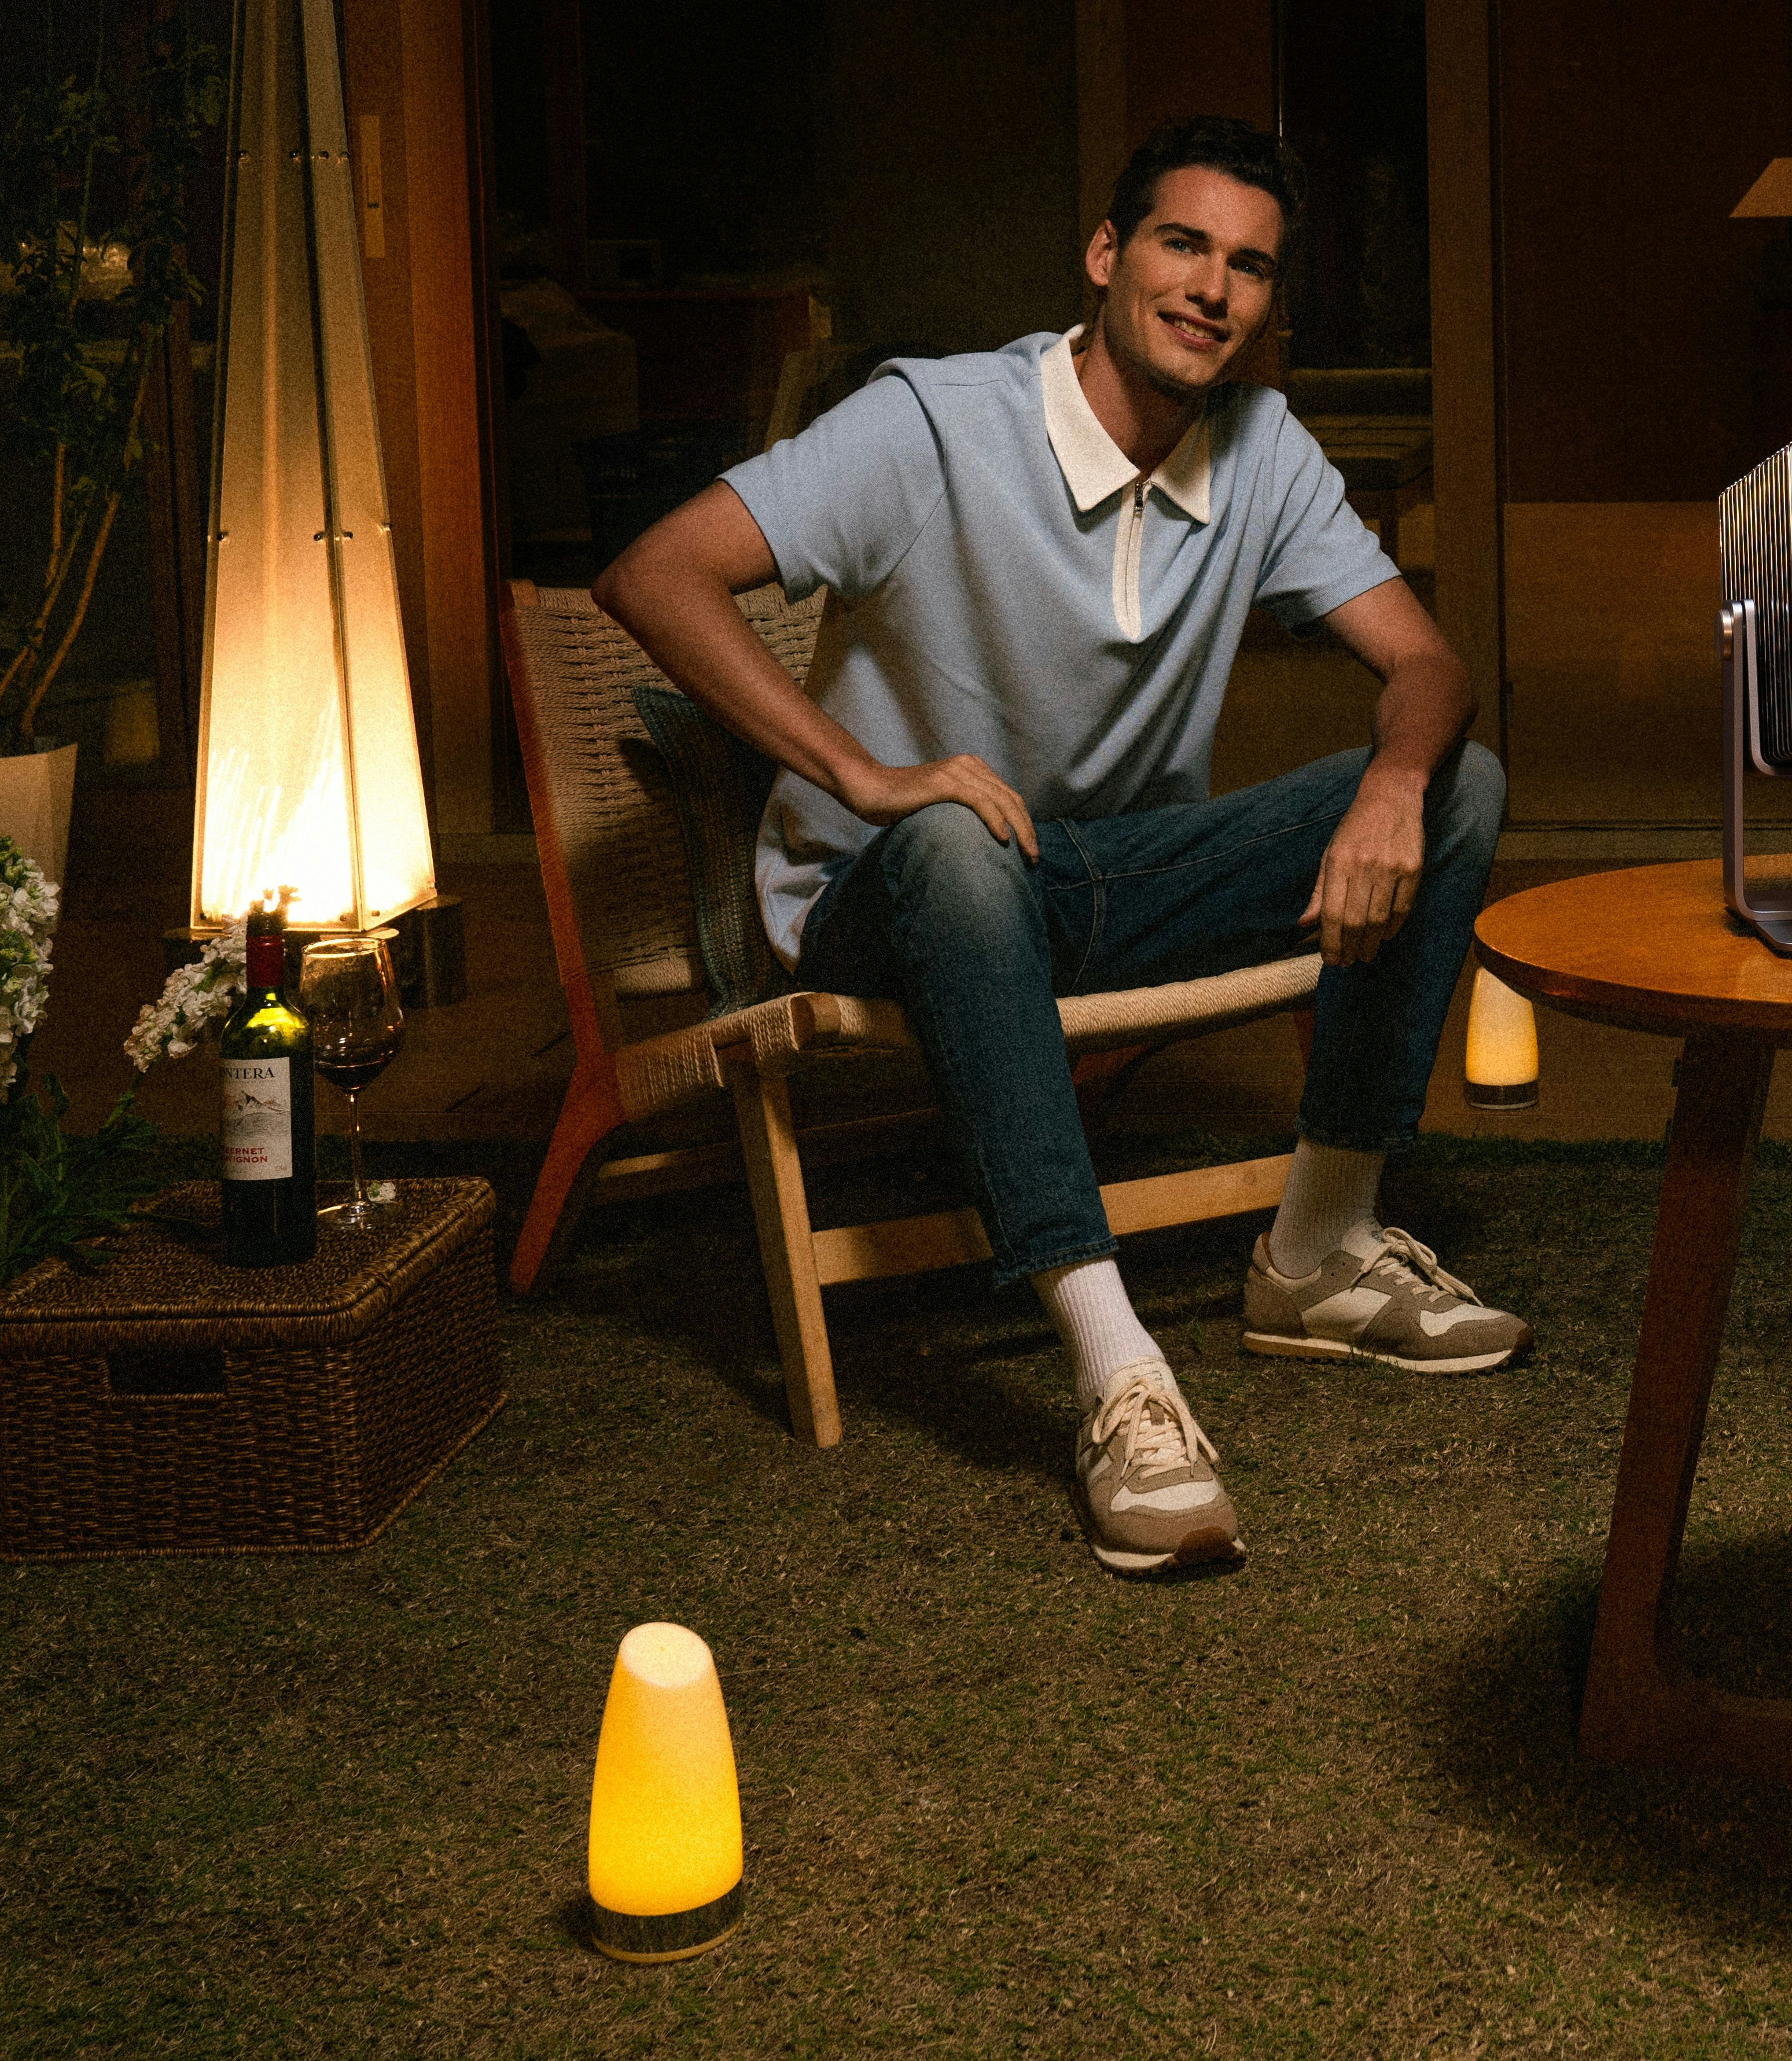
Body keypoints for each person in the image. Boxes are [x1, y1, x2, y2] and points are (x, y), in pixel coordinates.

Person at [596, 115, 1517, 1576]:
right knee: (960, 840)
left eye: (1251, 267)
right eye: (1181, 244)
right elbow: (659, 573)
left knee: (1456, 782)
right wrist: (861, 771)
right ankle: (1117, 1372)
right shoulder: (935, 424)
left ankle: (1317, 1254)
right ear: (1106, 256)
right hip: (887, 895)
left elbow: (1426, 666)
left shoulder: (1261, 449)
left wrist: (1395, 785)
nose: (1214, 288)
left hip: (1111, 879)